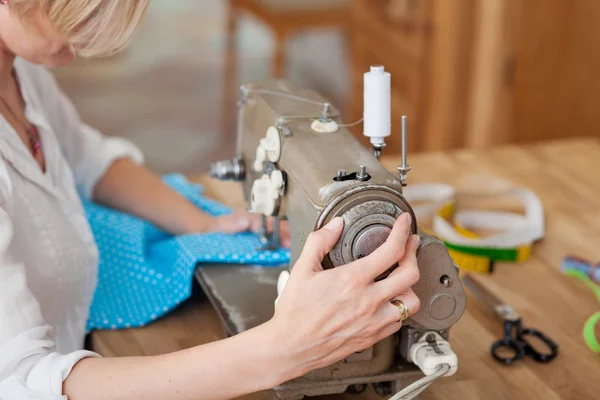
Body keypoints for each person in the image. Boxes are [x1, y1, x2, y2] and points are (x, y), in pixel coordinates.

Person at [0, 1, 421, 399]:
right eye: (83, 13)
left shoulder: (22, 73)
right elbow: (27, 381)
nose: (91, 37)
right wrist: (284, 347)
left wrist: (204, 224)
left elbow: (84, 157)